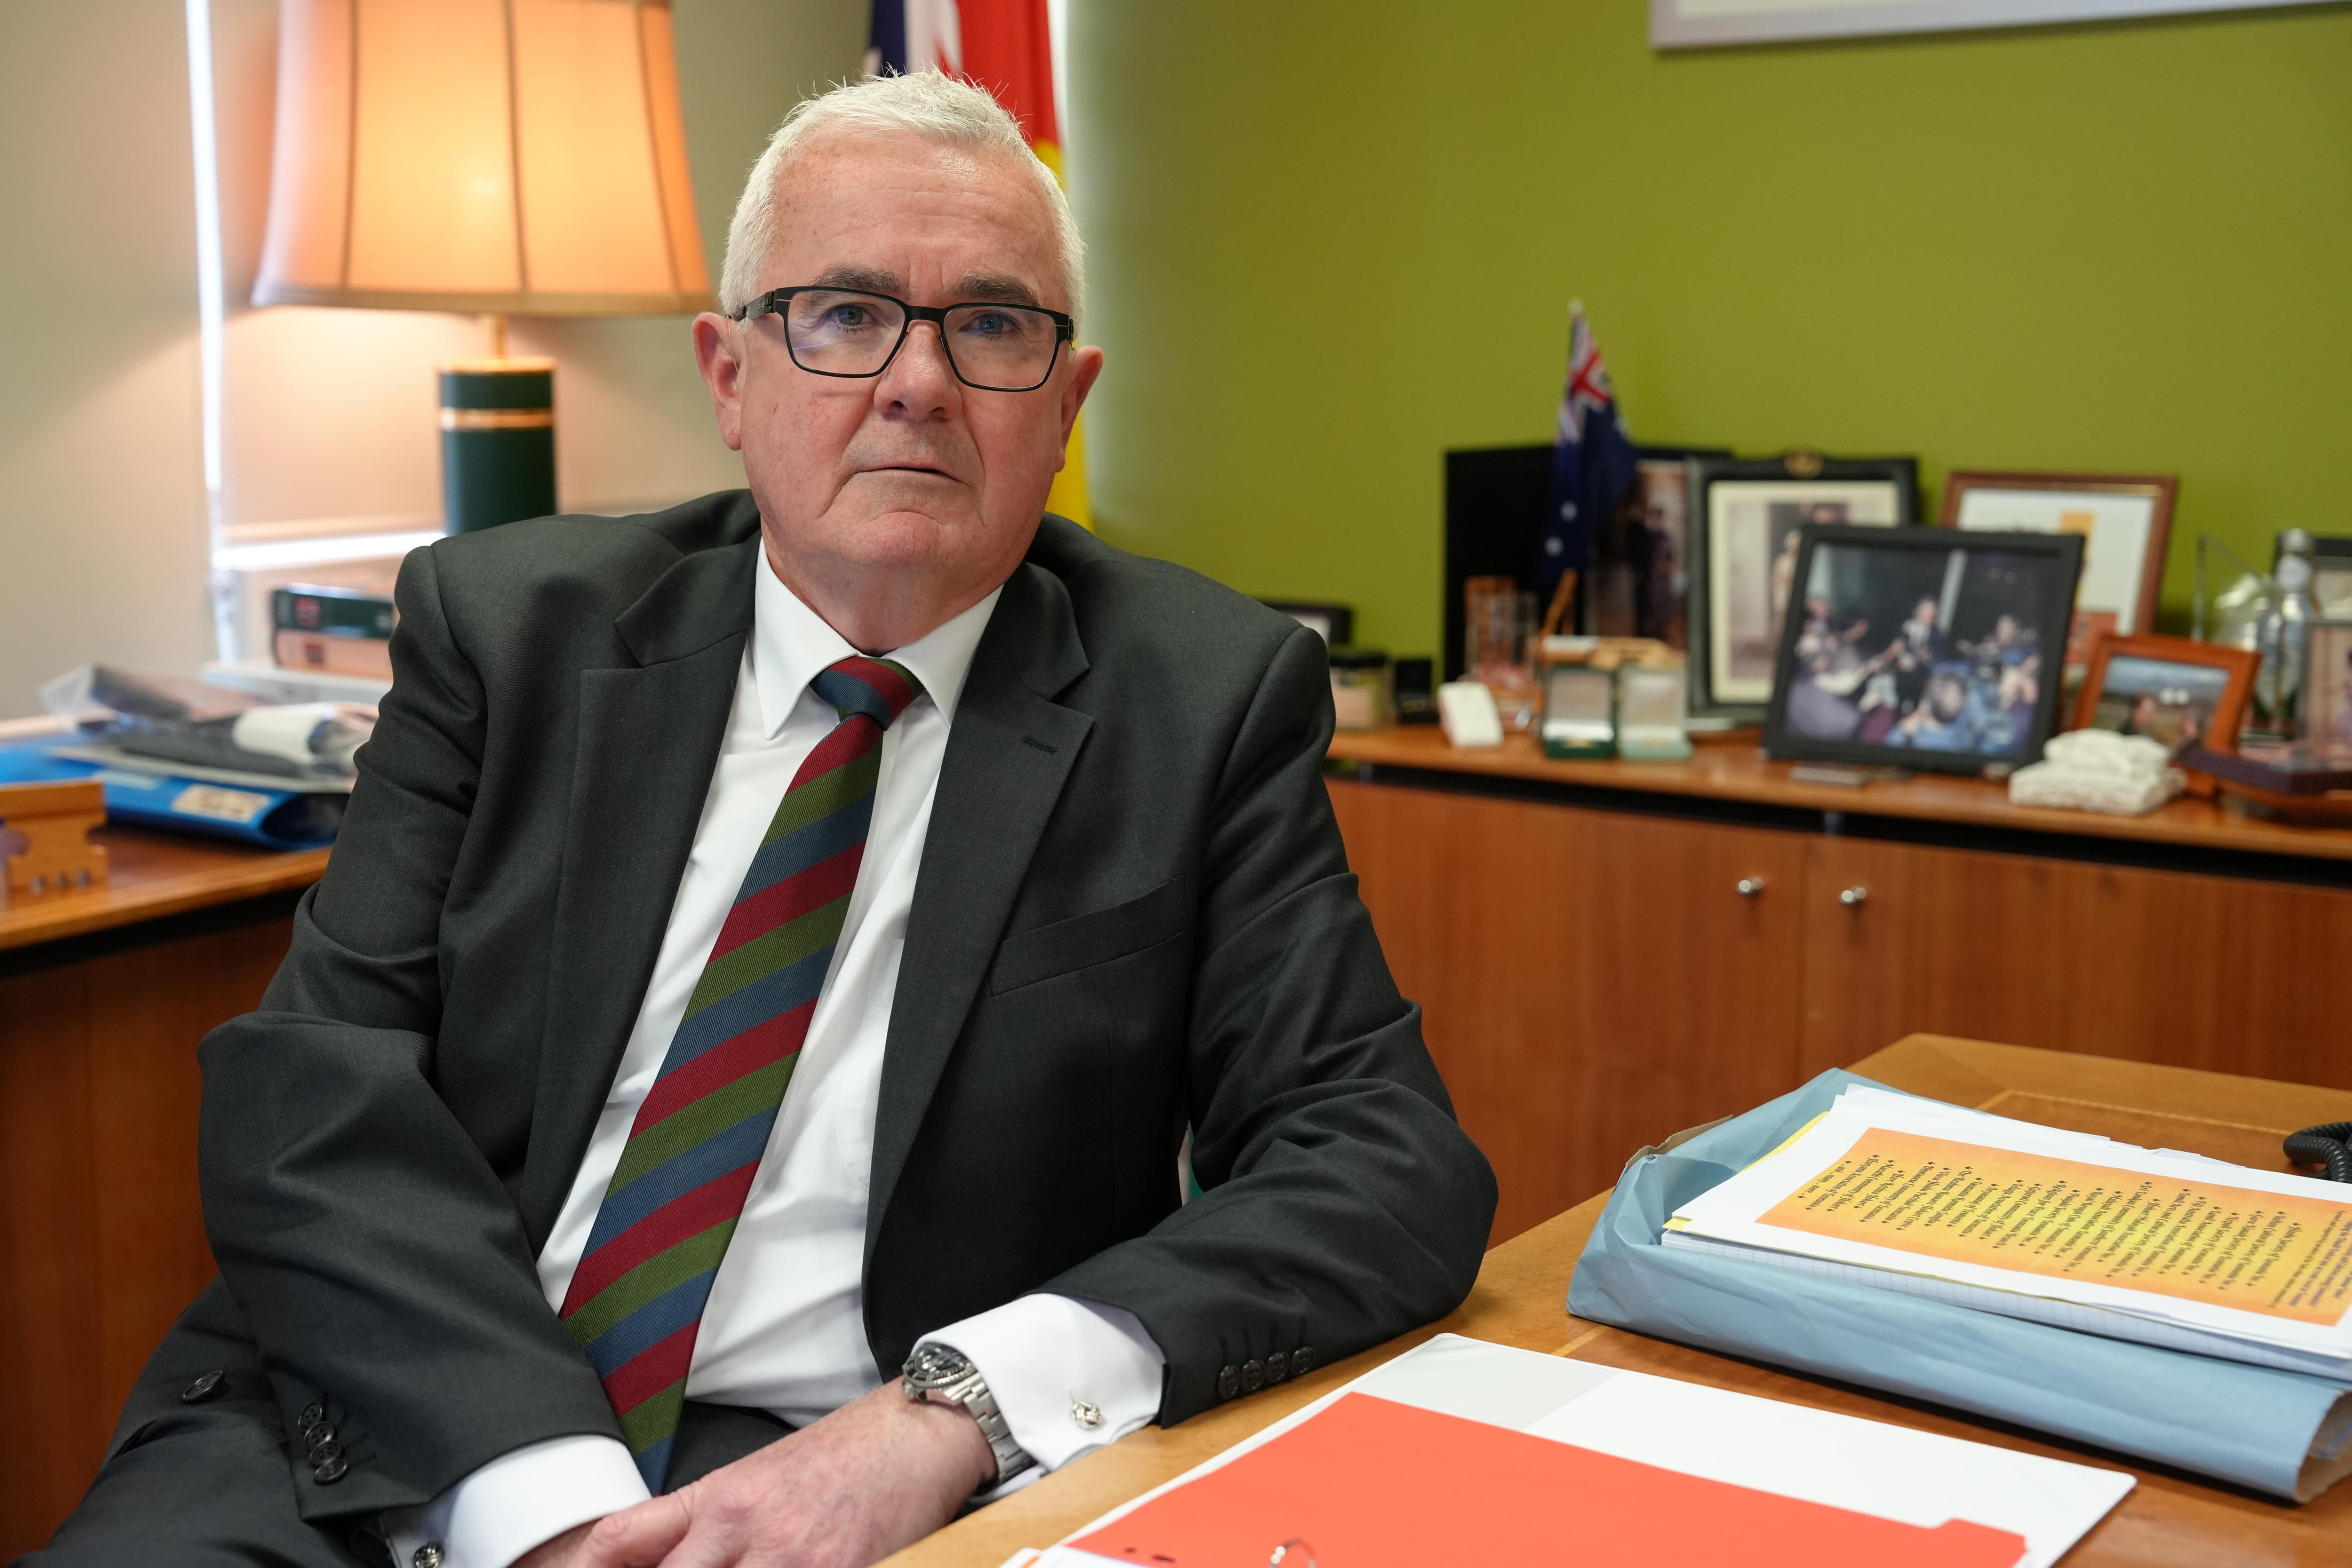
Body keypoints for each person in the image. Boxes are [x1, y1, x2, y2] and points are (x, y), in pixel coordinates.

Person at [32, 73, 1494, 1568]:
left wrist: (955, 1416)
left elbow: (1383, 1160)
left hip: (836, 1468)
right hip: (388, 1407)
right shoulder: (504, 630)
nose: (918, 382)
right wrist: (550, 1502)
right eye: (847, 314)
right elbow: (315, 1091)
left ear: (1066, 402)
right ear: (730, 377)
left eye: (992, 326)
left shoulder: (1203, 700)